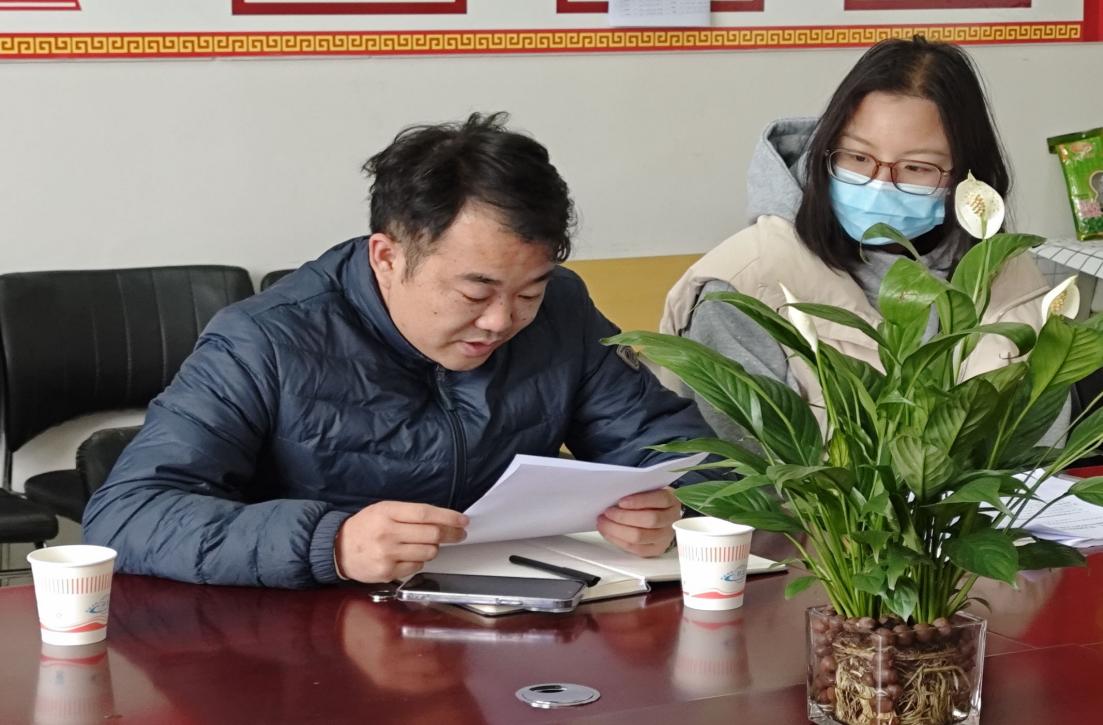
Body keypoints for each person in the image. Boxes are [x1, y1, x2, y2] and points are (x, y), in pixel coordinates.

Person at [83, 112, 716, 589]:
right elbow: (128, 515)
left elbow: (688, 457)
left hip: (514, 629)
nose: (502, 320)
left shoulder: (561, 313)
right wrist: (331, 544)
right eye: (475, 291)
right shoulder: (264, 341)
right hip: (314, 644)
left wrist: (672, 511)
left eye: (529, 291)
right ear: (387, 257)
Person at [661, 36, 1064, 447]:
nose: (878, 185)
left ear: (965, 175)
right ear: (825, 149)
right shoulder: (743, 288)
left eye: (916, 167)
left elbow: (1038, 448)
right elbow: (741, 469)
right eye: (857, 158)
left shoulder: (1007, 273)